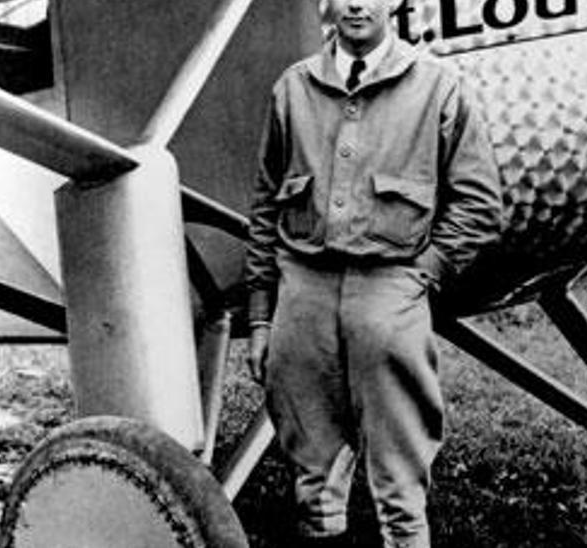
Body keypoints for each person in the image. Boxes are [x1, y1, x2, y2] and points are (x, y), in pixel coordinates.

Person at [241, 0, 504, 544]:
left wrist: (421, 272)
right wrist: (262, 317)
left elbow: (481, 204)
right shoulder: (293, 88)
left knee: (400, 465)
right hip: (303, 292)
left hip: (391, 287)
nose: (358, 3)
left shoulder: (438, 86)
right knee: (310, 466)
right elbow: (267, 205)